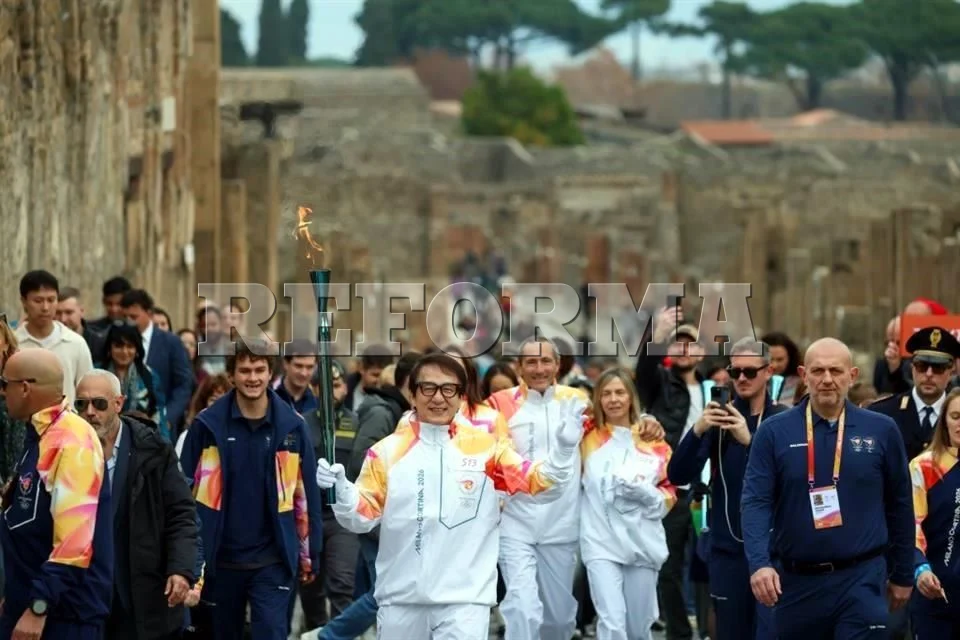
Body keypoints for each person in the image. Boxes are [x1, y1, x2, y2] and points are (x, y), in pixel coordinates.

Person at [316, 352, 583, 639]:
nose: (438, 398)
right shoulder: (387, 452)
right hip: (401, 597)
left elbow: (539, 484)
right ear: (413, 393)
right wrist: (342, 491)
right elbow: (361, 517)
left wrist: (563, 452)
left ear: (461, 395)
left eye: (448, 389)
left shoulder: (487, 450)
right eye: (428, 388)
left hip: (465, 600)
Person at [741, 337, 915, 639]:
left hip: (862, 579)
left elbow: (900, 504)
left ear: (853, 375)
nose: (826, 379)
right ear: (803, 374)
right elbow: (755, 501)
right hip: (796, 581)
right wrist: (759, 564)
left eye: (835, 371)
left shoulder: (882, 429)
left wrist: (903, 573)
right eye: (817, 371)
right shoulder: (774, 431)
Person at [179, 340, 323, 640]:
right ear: (231, 375)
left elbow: (304, 495)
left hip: (272, 559)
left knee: (271, 632)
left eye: (259, 369)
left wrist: (309, 553)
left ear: (271, 373)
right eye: (244, 370)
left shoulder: (291, 427)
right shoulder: (206, 426)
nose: (253, 377)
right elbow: (183, 495)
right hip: (219, 559)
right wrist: (186, 559)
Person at [667, 338, 787, 640]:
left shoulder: (783, 419)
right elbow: (678, 473)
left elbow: (789, 479)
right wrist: (698, 430)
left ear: (768, 371)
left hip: (774, 551)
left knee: (771, 632)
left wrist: (751, 439)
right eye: (735, 373)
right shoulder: (720, 420)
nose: (742, 379)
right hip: (728, 550)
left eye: (750, 372)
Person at [75, 370, 198, 640]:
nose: (90, 412)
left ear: (118, 403)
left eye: (100, 403)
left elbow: (181, 514)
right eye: (81, 404)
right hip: (86, 594)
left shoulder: (153, 449)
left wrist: (180, 569)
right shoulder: (67, 451)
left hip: (142, 591)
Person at [0, 350, 113, 639]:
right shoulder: (39, 432)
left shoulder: (74, 441)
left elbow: (74, 547)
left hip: (63, 616)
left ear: (24, 388)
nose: (2, 393)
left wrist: (38, 606)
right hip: (28, 606)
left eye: (5, 384)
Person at [580, 368, 678, 640]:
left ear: (631, 397)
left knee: (638, 628)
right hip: (600, 542)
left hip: (642, 544)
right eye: (606, 393)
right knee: (611, 624)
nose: (613, 399)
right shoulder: (586, 437)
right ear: (598, 399)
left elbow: (670, 492)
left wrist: (648, 495)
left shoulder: (654, 441)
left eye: (620, 392)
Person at [908, 387, 960, 636]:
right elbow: (911, 525)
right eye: (956, 416)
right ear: (945, 421)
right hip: (935, 590)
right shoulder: (924, 466)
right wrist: (920, 568)